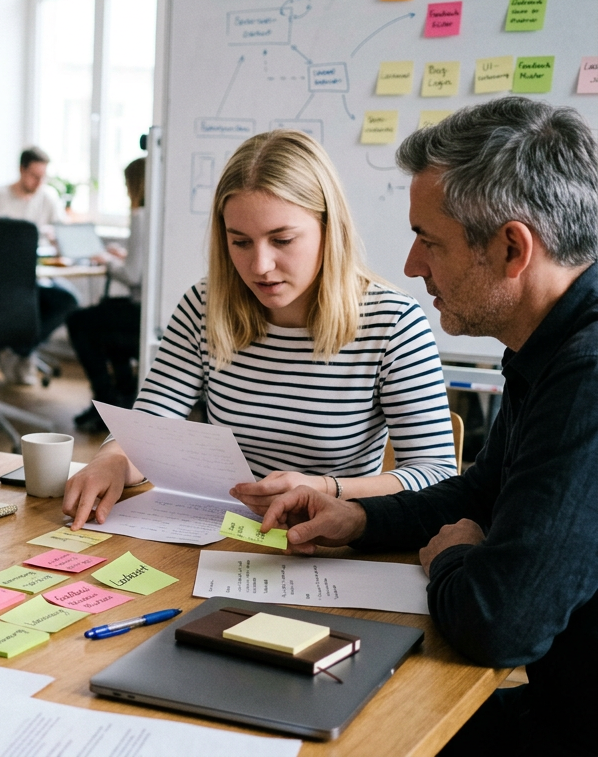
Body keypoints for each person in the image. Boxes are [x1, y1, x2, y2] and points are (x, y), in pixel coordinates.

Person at [245, 97, 598, 757]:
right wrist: (360, 518)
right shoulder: (547, 345)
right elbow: (478, 495)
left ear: (513, 247)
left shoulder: (587, 376)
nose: (412, 265)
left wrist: (451, 560)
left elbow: (501, 622)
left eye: (429, 241)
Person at [64, 129, 456, 531]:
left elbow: (437, 474)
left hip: (333, 545)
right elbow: (150, 426)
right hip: (228, 535)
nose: (260, 266)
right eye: (240, 242)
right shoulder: (204, 305)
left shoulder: (393, 323)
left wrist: (326, 488)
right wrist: (111, 459)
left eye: (282, 239)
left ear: (328, 228)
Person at [0, 146, 78, 385]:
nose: (39, 182)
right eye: (34, 176)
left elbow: (64, 237)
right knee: (22, 303)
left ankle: (21, 350)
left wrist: (56, 238)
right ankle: (16, 351)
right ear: (21, 170)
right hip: (1, 280)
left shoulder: (48, 197)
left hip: (38, 277)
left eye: (43, 177)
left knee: (68, 301)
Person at [67, 157, 147, 432]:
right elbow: (144, 266)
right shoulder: (160, 215)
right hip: (146, 309)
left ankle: (105, 400)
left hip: (140, 312)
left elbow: (133, 276)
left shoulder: (140, 214)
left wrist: (107, 262)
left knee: (79, 321)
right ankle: (119, 399)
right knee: (104, 316)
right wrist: (122, 257)